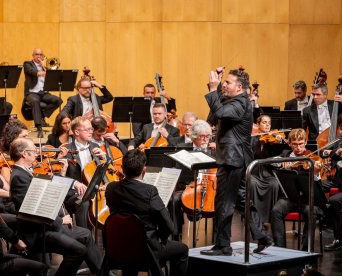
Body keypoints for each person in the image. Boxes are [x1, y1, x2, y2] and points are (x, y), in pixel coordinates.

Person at [200, 68, 271, 256]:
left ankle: (223, 245)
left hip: (233, 159)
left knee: (224, 202)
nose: (224, 84)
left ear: (239, 87)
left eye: (228, 83)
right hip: (236, 158)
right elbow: (213, 116)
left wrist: (214, 88)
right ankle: (262, 236)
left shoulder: (240, 103)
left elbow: (221, 113)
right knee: (241, 199)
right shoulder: (232, 101)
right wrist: (215, 87)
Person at [9, 138, 102, 276]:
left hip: (45, 226)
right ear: (24, 154)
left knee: (86, 234)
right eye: (33, 151)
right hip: (37, 232)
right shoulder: (19, 176)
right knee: (79, 250)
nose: (37, 153)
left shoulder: (26, 172)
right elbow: (31, 210)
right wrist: (60, 220)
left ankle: (101, 272)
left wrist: (69, 181)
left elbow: (48, 185)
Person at [105, 149, 189, 276]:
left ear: (122, 168)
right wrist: (161, 238)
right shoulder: (149, 191)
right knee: (183, 249)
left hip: (117, 247)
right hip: (145, 250)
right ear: (144, 169)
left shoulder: (111, 188)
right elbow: (169, 226)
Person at [270, 128, 324, 250]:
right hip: (291, 198)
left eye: (301, 144)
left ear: (305, 142)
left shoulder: (312, 157)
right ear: (289, 143)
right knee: (276, 210)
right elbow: (272, 162)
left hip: (308, 199)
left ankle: (306, 249)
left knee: (311, 211)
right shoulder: (286, 155)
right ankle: (280, 248)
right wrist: (282, 163)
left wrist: (315, 170)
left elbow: (317, 182)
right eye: (294, 144)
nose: (298, 148)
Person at [63, 116, 107, 228]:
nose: (91, 132)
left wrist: (104, 159)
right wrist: (75, 183)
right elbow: (60, 177)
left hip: (95, 189)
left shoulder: (95, 146)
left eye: (91, 129)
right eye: (87, 129)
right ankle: (84, 238)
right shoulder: (66, 150)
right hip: (74, 193)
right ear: (77, 132)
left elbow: (106, 173)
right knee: (85, 202)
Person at [23, 48, 63, 137]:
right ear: (33, 55)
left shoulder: (44, 66)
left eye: (41, 54)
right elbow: (34, 73)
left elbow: (53, 76)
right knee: (35, 101)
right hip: (31, 92)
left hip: (43, 93)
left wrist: (45, 66)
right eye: (37, 54)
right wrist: (44, 67)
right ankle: (39, 127)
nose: (39, 56)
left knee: (58, 100)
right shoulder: (27, 64)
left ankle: (42, 116)